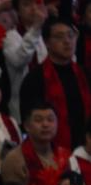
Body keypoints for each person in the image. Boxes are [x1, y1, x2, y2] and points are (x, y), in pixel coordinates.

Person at [19, 17, 91, 152]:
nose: (67, 41)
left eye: (70, 35)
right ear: (47, 42)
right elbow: (29, 122)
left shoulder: (85, 75)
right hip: (50, 151)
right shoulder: (35, 79)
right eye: (59, 37)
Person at [3, 0, 48, 122]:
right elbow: (19, 60)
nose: (34, 8)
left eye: (37, 3)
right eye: (27, 4)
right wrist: (36, 28)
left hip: (47, 101)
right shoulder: (10, 36)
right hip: (21, 105)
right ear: (17, 10)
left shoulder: (48, 34)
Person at [0, 102, 62, 185]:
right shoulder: (14, 159)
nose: (45, 124)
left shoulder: (64, 155)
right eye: (38, 120)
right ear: (26, 126)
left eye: (50, 120)